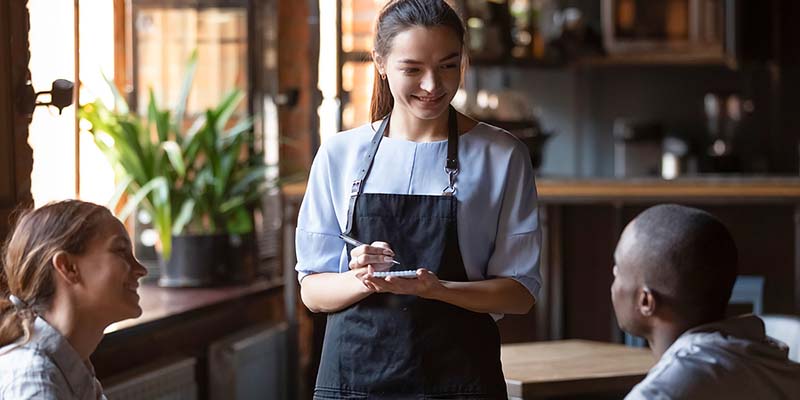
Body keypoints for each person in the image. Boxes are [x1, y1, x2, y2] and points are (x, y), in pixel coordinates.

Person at [295, 0, 541, 398]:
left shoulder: (501, 155)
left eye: (448, 65)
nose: (433, 85)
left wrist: (438, 289)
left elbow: (520, 293)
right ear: (380, 63)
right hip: (354, 381)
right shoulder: (339, 155)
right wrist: (364, 280)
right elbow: (312, 292)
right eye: (412, 69)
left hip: (460, 380)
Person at [611, 204, 800, 399]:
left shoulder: (660, 393)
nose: (613, 278)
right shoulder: (772, 365)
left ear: (646, 301)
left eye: (618, 270)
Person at [0, 200, 148, 399]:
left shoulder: (71, 367)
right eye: (121, 251)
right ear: (68, 267)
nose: (141, 270)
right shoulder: (35, 382)